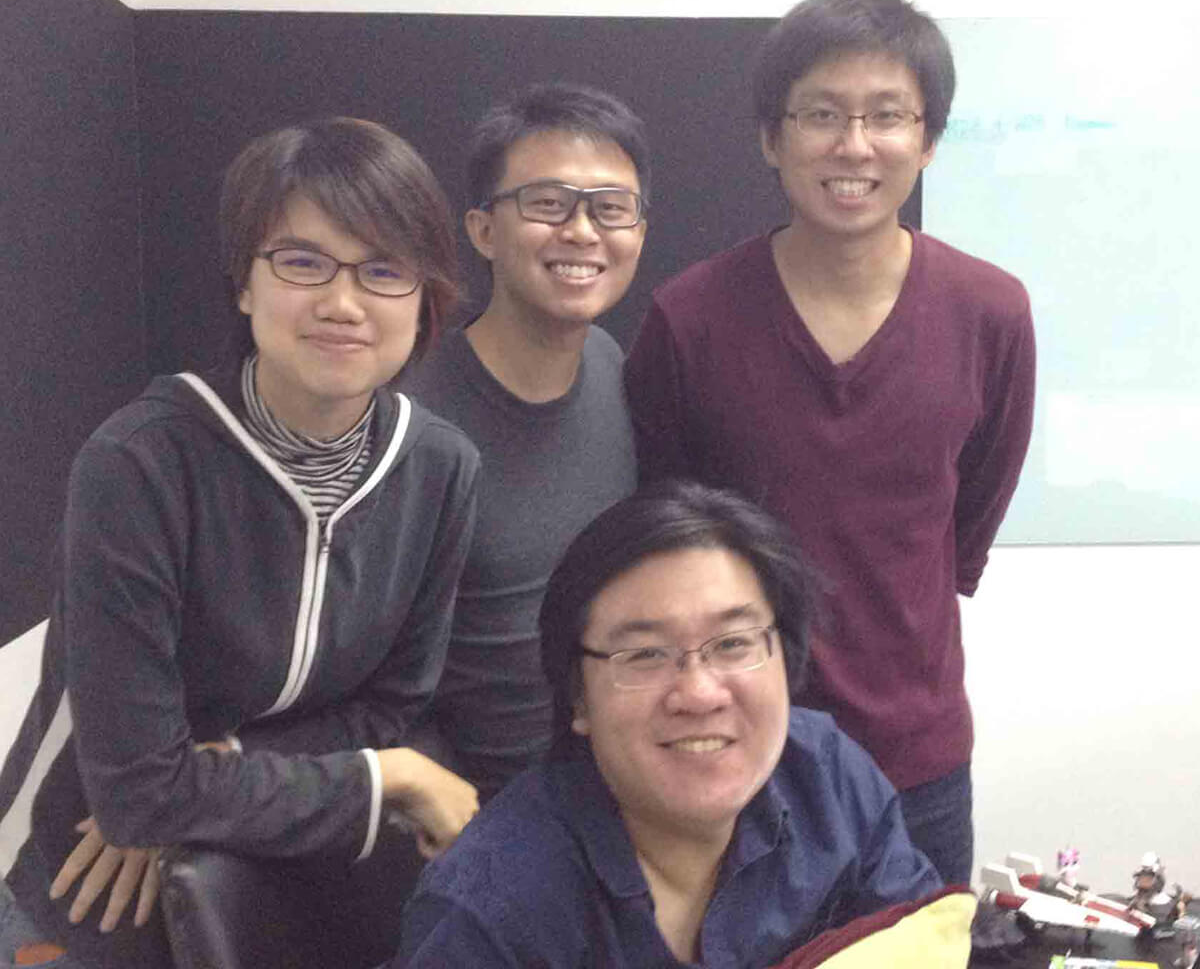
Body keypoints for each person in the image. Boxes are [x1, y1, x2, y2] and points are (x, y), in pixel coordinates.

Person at [0, 117, 481, 968]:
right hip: (81, 873)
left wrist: (207, 783)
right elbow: (138, 791)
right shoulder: (139, 463)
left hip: (267, 864)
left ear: (425, 298)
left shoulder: (441, 467)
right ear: (245, 285)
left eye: (383, 270)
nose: (342, 301)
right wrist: (392, 778)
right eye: (301, 261)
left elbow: (391, 705)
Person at [623, 0, 1036, 885]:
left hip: (918, 762)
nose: (855, 145)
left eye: (887, 115)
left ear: (927, 140)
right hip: (733, 755)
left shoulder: (990, 313)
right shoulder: (688, 319)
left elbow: (969, 516)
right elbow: (659, 532)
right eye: (822, 114)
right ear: (773, 138)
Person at [399, 480, 943, 967]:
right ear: (578, 701)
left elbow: (921, 947)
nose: (700, 693)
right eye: (644, 655)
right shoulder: (486, 910)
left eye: (733, 644)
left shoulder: (830, 778)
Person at [402, 82, 645, 800]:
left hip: (610, 789)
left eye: (611, 208)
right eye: (547, 203)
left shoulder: (612, 364)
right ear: (482, 230)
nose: (582, 231)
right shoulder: (409, 414)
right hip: (466, 813)